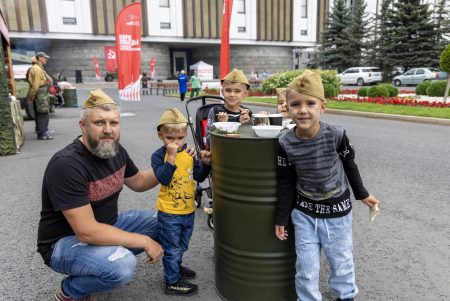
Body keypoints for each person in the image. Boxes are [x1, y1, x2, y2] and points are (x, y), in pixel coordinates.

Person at [36, 89, 177, 301]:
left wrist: (172, 161)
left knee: (168, 221)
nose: (108, 130)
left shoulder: (115, 150)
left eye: (114, 123)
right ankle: (71, 290)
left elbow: (138, 182)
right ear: (83, 126)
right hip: (64, 243)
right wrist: (144, 241)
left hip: (107, 226)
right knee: (122, 266)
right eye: (99, 123)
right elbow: (86, 232)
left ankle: (98, 263)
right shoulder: (66, 164)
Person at [274, 70, 380, 301]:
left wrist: (362, 194)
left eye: (310, 103)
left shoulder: (336, 135)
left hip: (337, 213)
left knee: (341, 262)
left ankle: (346, 296)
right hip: (304, 214)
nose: (303, 110)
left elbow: (349, 164)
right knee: (306, 267)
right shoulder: (285, 142)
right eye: (295, 104)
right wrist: (281, 218)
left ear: (322, 107)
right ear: (287, 108)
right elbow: (286, 182)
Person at [151, 108, 211, 296]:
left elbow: (198, 178)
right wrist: (171, 157)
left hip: (187, 211)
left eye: (180, 138)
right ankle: (172, 281)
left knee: (182, 246)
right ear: (161, 135)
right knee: (172, 248)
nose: (176, 143)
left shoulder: (190, 154)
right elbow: (164, 179)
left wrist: (206, 164)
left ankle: (175, 267)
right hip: (169, 213)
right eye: (170, 138)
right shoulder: (158, 156)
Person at [205, 69, 253, 135]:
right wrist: (221, 125)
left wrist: (245, 125)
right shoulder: (215, 111)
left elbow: (251, 138)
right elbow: (208, 141)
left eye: (237, 91)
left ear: (245, 94)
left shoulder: (247, 113)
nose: (232, 95)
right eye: (228, 90)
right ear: (222, 92)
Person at [28, 52, 53, 140]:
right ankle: (42, 133)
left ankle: (42, 131)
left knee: (40, 113)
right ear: (40, 58)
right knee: (42, 114)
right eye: (44, 58)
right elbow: (36, 85)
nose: (46, 59)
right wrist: (32, 96)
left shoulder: (38, 68)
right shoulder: (37, 69)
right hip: (40, 94)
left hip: (40, 93)